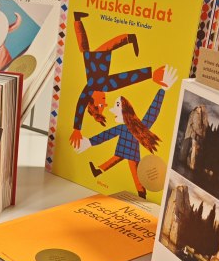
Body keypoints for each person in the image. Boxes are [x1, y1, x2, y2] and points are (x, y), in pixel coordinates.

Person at [75, 65, 178, 199]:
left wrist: (163, 90)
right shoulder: (122, 128)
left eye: (117, 105)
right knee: (117, 159)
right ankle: (99, 171)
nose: (112, 109)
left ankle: (141, 193)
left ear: (125, 109)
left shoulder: (137, 127)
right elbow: (106, 135)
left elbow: (152, 113)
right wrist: (89, 142)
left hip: (131, 152)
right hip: (123, 150)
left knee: (134, 172)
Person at [69, 11, 168, 148]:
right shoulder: (104, 86)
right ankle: (77, 19)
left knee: (92, 48)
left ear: (93, 101)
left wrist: (77, 128)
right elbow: (126, 78)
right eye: (104, 107)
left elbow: (80, 105)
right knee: (84, 48)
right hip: (93, 57)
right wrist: (150, 74)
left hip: (98, 57)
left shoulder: (91, 88)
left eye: (101, 106)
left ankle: (128, 38)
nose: (106, 104)